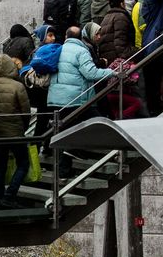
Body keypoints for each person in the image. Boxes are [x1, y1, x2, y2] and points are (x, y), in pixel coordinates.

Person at [47, 26, 115, 176]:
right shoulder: (81, 51)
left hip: (56, 99)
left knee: (62, 134)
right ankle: (79, 150)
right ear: (80, 37)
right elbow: (91, 73)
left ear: (66, 36)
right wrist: (112, 72)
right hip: (75, 99)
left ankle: (63, 171)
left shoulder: (59, 50)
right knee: (99, 121)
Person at [0, 55, 31, 209]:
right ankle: (10, 195)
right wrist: (23, 127)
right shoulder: (18, 86)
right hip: (15, 131)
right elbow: (26, 112)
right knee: (23, 164)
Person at [95, 0, 135, 65]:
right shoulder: (120, 17)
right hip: (117, 60)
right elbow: (120, 43)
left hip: (108, 58)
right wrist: (133, 53)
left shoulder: (106, 17)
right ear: (121, 4)